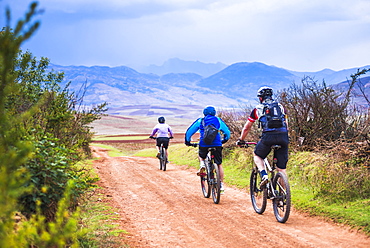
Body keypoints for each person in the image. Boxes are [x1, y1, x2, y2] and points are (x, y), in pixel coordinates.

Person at [236, 86, 289, 185]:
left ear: (260, 98)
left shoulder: (258, 109)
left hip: (268, 137)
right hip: (283, 137)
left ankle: (264, 175)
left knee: (257, 155)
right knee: (281, 169)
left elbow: (247, 127)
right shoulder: (281, 107)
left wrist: (241, 139)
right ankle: (284, 197)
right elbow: (286, 125)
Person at [184, 106, 231, 194]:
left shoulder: (200, 121)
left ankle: (202, 164)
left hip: (204, 143)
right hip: (217, 144)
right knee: (219, 164)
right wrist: (224, 140)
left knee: (201, 155)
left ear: (204, 113)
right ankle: (220, 184)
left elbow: (189, 132)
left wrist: (188, 141)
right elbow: (227, 132)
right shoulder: (218, 120)